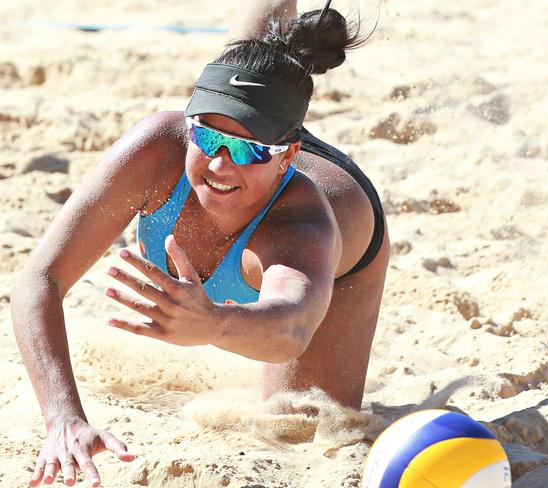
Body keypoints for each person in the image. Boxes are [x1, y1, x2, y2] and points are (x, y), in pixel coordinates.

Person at [11, 0, 388, 486]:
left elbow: (290, 330)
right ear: (188, 127)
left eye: (246, 152)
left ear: (289, 155)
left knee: (299, 423)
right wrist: (63, 419)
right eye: (208, 140)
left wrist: (216, 323)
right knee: (251, 57)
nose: (219, 166)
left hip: (349, 238)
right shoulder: (158, 148)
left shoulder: (300, 226)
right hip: (262, 115)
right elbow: (39, 278)